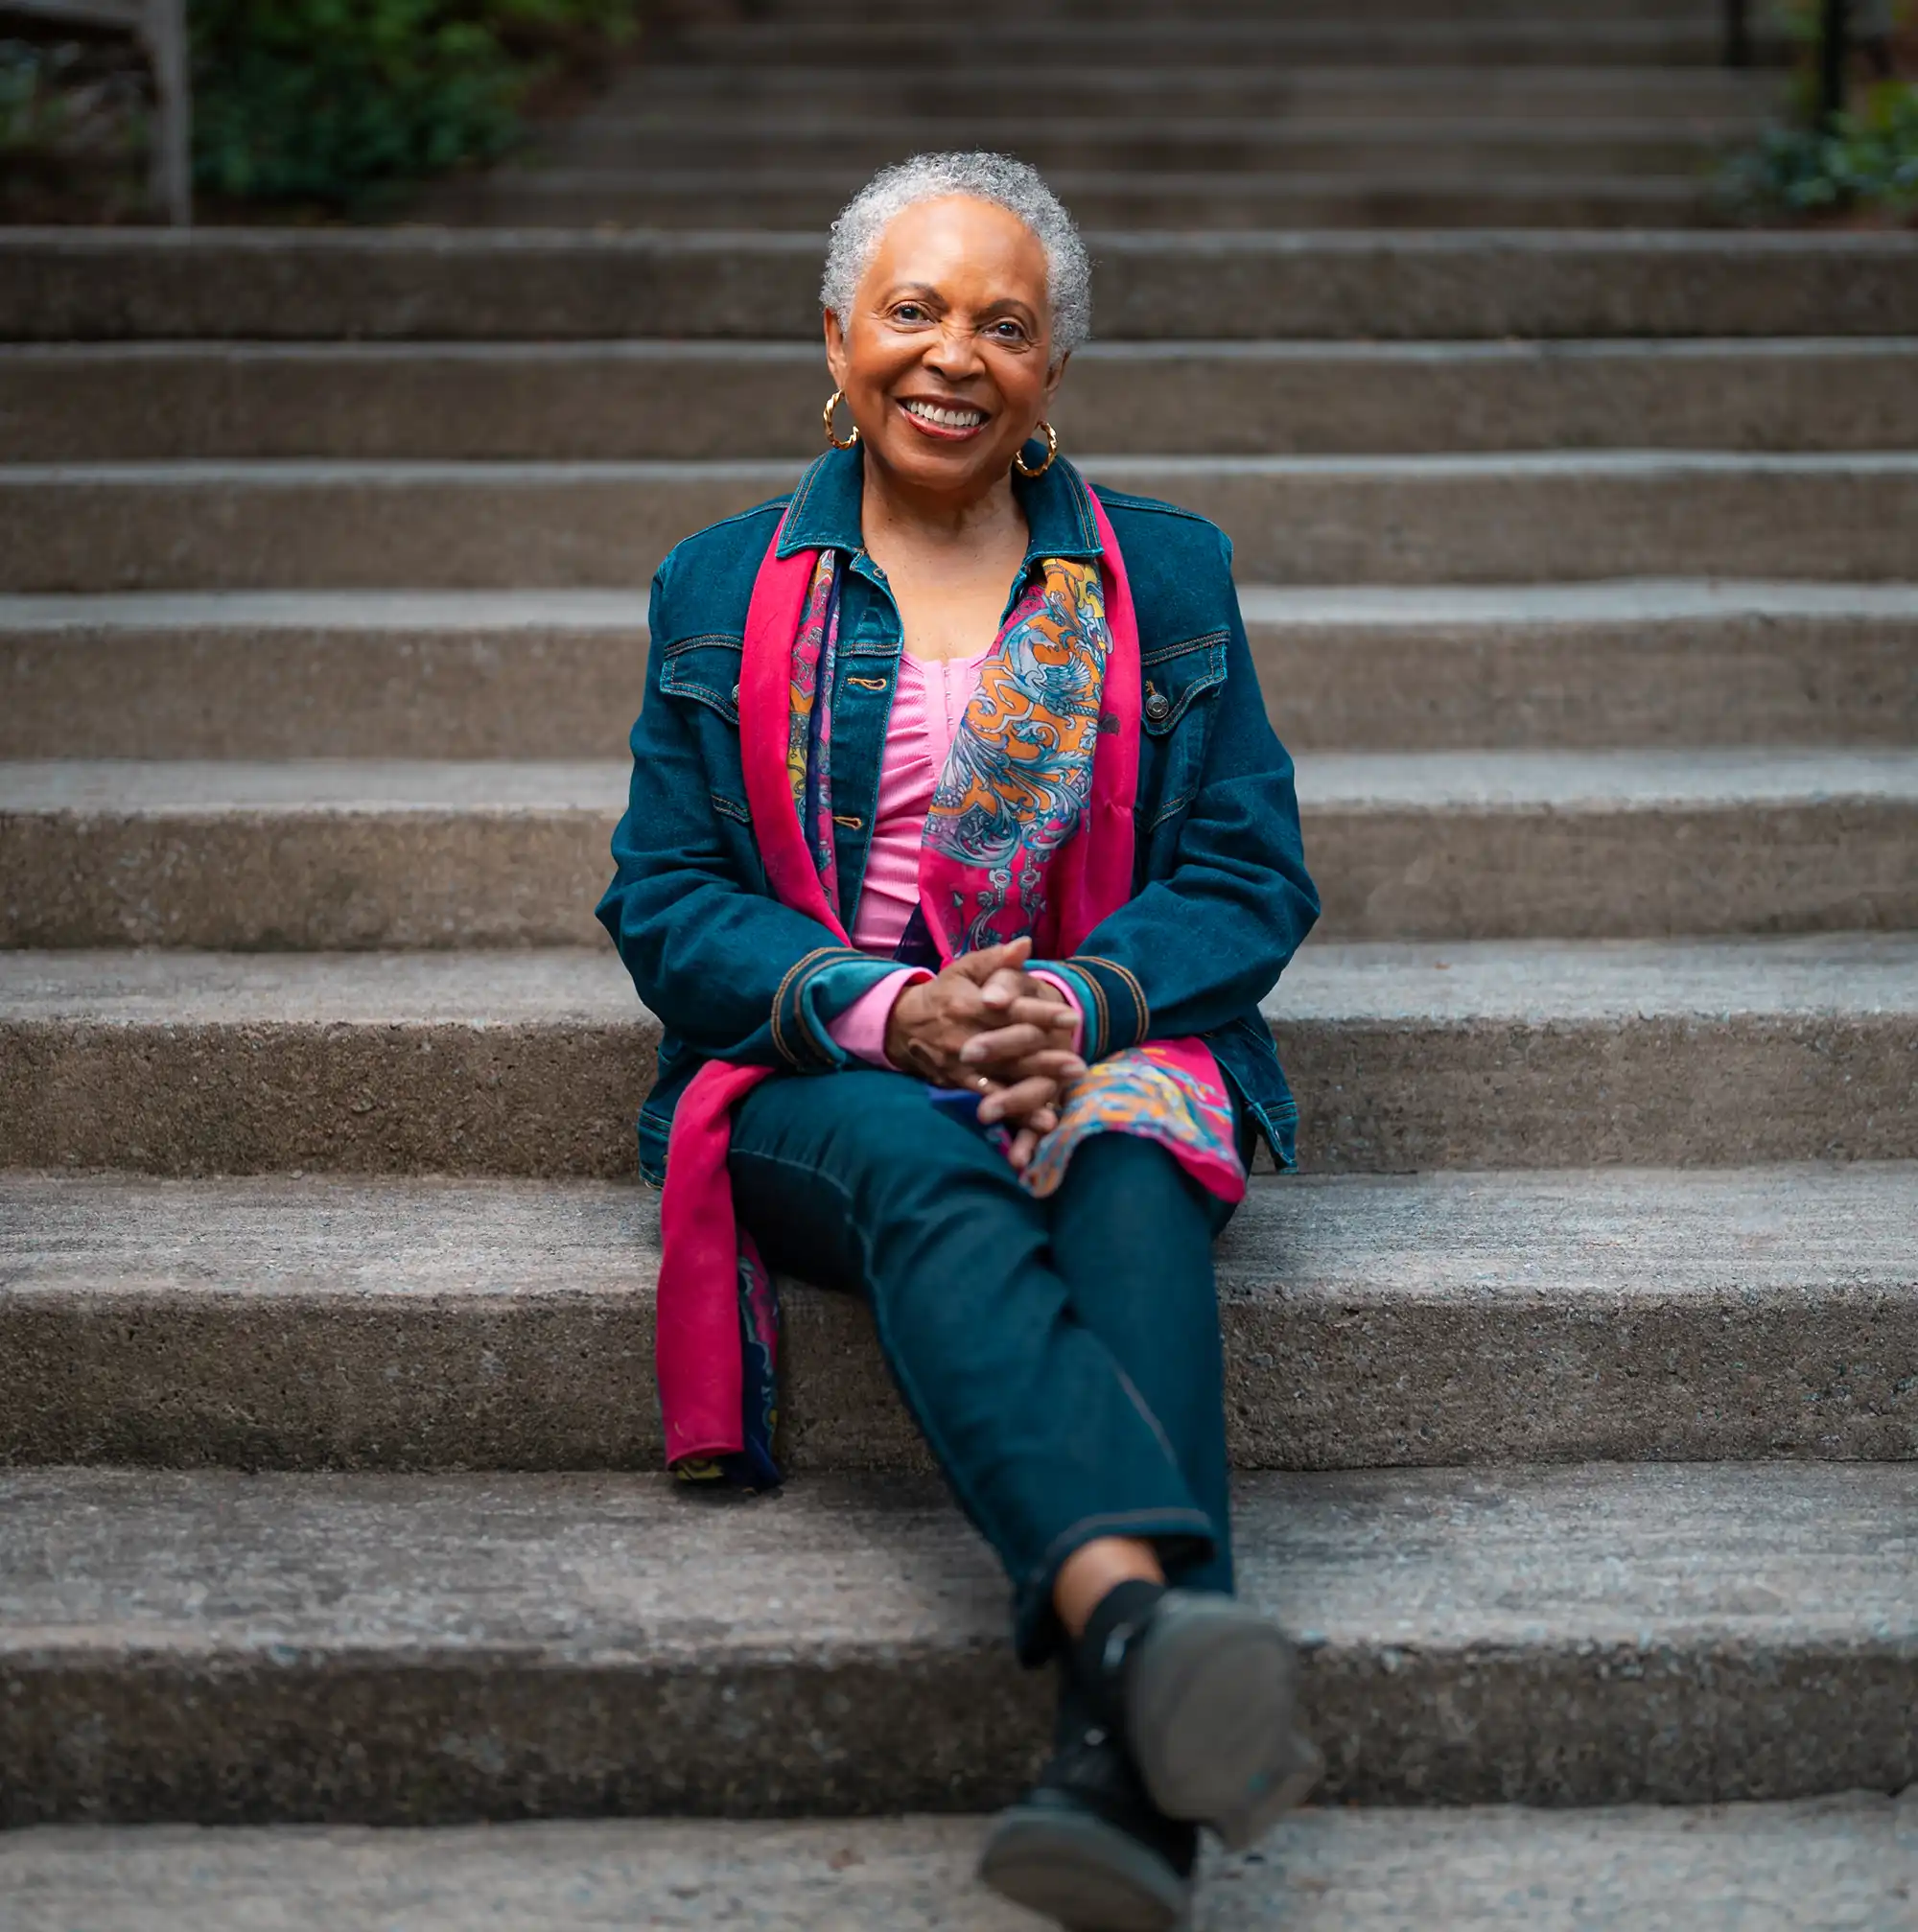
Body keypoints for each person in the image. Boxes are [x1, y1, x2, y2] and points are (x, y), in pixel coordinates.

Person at [597, 151, 1322, 1932]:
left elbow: (1248, 870)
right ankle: (1158, 1635)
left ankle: (1126, 1740)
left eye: (1007, 322)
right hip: (819, 1072)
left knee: (1136, 1151)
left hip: (1092, 1028)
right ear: (835, 338)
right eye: (913, 310)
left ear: (1053, 368)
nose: (955, 354)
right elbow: (664, 897)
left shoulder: (1163, 571)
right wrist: (889, 1009)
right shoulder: (719, 584)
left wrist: (1075, 1002)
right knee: (926, 1151)